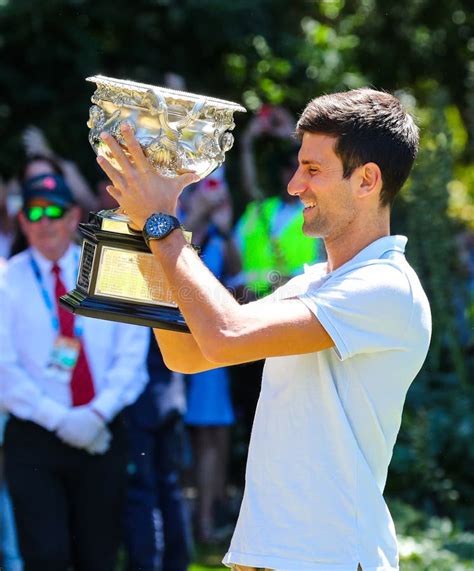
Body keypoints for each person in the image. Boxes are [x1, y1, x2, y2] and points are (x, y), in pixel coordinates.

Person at [97, 88, 432, 571]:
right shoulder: (314, 281)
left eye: (313, 170)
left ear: (367, 180)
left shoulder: (386, 285)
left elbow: (225, 334)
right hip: (269, 555)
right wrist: (141, 234)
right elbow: (190, 353)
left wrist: (162, 225)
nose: (295, 185)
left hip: (329, 558)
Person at [0, 172, 149, 571]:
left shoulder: (111, 270)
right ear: (22, 221)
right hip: (34, 433)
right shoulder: (6, 281)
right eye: (34, 212)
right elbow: (4, 368)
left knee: (98, 556)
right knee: (45, 555)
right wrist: (62, 420)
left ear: (74, 217)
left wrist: (97, 414)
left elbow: (133, 354)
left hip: (102, 431)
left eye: (54, 211)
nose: (44, 221)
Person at [180, 167, 238, 543]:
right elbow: (177, 256)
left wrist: (224, 226)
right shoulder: (178, 221)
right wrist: (200, 215)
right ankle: (189, 524)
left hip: (213, 347)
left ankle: (205, 520)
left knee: (215, 435)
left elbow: (236, 270)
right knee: (190, 438)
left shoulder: (218, 234)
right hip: (180, 343)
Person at [123, 330, 191, 571]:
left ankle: (148, 563)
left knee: (142, 491)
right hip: (170, 395)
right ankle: (175, 562)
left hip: (143, 398)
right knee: (168, 487)